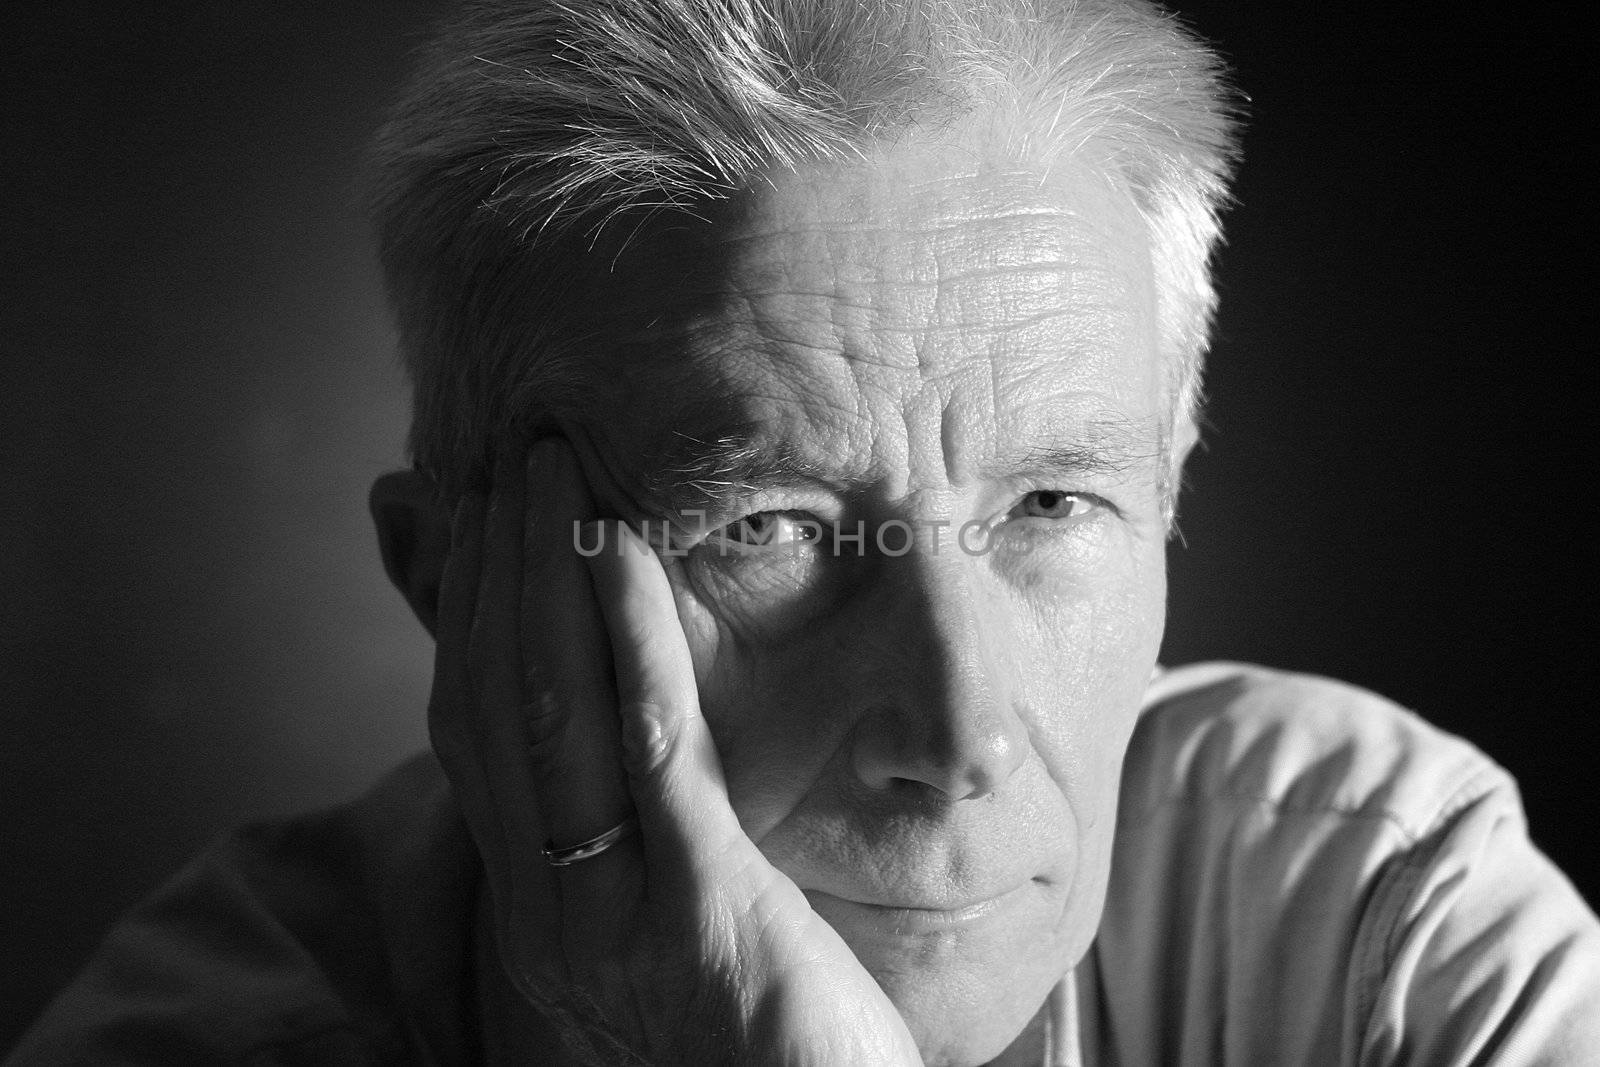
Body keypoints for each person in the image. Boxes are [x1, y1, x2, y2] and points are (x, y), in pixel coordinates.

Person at [10, 0, 1599, 1063]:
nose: (960, 731)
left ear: (1171, 497)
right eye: (769, 526)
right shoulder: (227, 1033)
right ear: (456, 584)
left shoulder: (1371, 909)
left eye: (1053, 503)